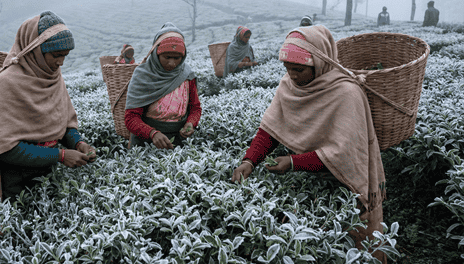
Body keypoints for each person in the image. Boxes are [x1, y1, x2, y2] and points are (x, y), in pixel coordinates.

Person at [231, 25, 387, 263]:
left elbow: (343, 154)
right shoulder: (289, 86)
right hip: (312, 185)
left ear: (318, 63)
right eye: (287, 68)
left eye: (298, 70)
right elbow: (271, 128)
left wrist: (293, 162)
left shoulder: (346, 93)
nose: (292, 76)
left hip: (345, 185)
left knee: (354, 248)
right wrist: (249, 160)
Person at [0, 11, 97, 225]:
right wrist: (60, 155)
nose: (61, 62)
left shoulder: (53, 77)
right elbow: (6, 149)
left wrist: (78, 142)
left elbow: (64, 121)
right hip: (16, 181)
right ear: (35, 51)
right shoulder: (7, 84)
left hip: (49, 174)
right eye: (56, 55)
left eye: (65, 55)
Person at [124, 22, 202, 149]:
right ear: (156, 53)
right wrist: (152, 133)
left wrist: (190, 123)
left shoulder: (187, 75)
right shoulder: (142, 76)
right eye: (167, 57)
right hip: (145, 144)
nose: (172, 63)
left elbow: (195, 108)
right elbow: (131, 118)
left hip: (178, 142)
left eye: (177, 58)